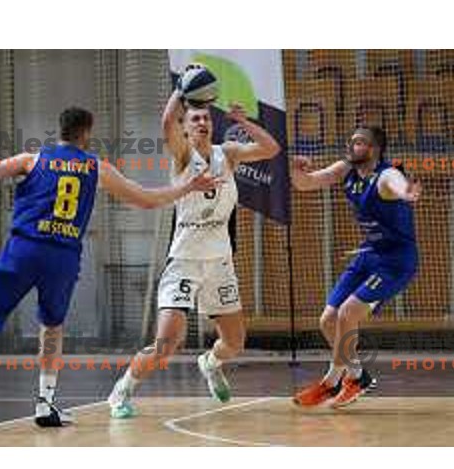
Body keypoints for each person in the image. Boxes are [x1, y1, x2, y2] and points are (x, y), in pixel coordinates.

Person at [0, 106, 218, 433]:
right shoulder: (96, 167)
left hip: (24, 250)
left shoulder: (31, 160)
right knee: (51, 328)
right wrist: (188, 187)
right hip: (61, 258)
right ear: (87, 133)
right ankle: (45, 403)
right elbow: (147, 199)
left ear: (58, 131)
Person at [107, 68, 281, 418]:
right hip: (185, 261)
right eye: (195, 118)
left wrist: (243, 121)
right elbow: (166, 122)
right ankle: (122, 390)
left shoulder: (227, 154)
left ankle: (211, 363)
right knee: (166, 344)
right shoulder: (183, 156)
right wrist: (180, 90)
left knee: (234, 343)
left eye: (206, 118)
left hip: (219, 263)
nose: (202, 122)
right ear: (185, 128)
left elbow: (270, 148)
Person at [291, 126, 421, 407]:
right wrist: (299, 171)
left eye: (359, 143)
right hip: (369, 254)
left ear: (373, 150)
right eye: (351, 141)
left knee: (348, 313)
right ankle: (357, 376)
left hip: (396, 261)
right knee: (327, 320)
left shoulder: (386, 176)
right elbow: (306, 183)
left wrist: (406, 193)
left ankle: (330, 382)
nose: (352, 147)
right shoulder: (345, 169)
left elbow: (397, 183)